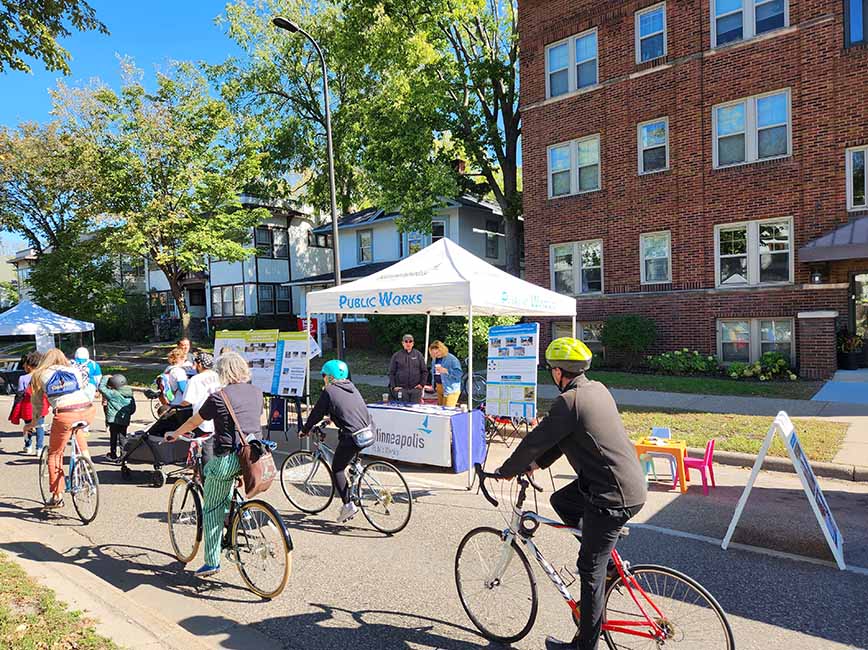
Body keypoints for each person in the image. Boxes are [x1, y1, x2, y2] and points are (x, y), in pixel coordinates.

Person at [496, 338, 647, 650]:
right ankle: (606, 556)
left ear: (557, 371)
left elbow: (534, 441)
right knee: (561, 500)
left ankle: (584, 647)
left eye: (551, 369)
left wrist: (505, 471)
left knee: (589, 572)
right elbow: (559, 441)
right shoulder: (596, 390)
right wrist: (535, 465)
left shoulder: (569, 402)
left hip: (610, 498)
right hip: (628, 486)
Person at [165, 351, 263, 578]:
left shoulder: (219, 397)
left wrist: (175, 434)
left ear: (222, 373)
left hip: (227, 458)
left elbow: (194, 421)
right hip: (252, 457)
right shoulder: (257, 392)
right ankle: (233, 515)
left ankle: (212, 562)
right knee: (224, 492)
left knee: (211, 504)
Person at [300, 359, 372, 524]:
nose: (324, 379)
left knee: (338, 469)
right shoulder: (351, 387)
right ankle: (355, 483)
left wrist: (305, 430)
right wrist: (331, 419)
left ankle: (348, 505)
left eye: (324, 375)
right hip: (368, 432)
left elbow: (316, 413)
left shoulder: (330, 391)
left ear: (330, 376)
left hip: (353, 437)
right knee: (350, 462)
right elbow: (344, 408)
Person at [27, 349, 96, 509]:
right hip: (87, 409)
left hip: (65, 414)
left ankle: (57, 496)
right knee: (77, 429)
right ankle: (87, 463)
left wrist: (32, 424)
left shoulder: (39, 375)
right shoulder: (73, 370)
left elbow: (37, 404)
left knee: (55, 454)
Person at [177, 351, 220, 466]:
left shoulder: (195, 379)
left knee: (206, 449)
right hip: (219, 417)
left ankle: (206, 475)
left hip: (203, 419)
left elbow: (187, 401)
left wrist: (177, 405)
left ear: (200, 364)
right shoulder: (217, 376)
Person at [9, 351, 49, 455]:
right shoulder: (42, 376)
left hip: (27, 406)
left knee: (28, 426)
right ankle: (39, 448)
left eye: (25, 364)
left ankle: (28, 446)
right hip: (40, 405)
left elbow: (20, 393)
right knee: (39, 427)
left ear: (29, 366)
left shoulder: (22, 378)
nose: (23, 366)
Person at [150, 346, 193, 438]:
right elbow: (183, 389)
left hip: (171, 401)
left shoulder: (168, 369)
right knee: (179, 429)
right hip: (180, 403)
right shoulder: (179, 372)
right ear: (181, 358)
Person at [98, 373, 136, 460]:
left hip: (113, 420)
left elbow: (101, 388)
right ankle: (124, 455)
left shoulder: (113, 394)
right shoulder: (130, 394)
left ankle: (113, 453)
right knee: (123, 437)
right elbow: (133, 409)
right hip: (125, 419)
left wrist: (106, 377)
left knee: (113, 437)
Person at [388, 334, 428, 403]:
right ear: (403, 343)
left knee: (415, 409)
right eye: (406, 341)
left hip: (415, 389)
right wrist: (393, 387)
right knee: (403, 409)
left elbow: (424, 371)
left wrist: (422, 384)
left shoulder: (418, 355)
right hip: (402, 389)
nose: (408, 343)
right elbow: (391, 373)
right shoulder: (396, 355)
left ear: (413, 343)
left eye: (410, 341)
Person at [428, 341, 463, 407]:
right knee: (440, 411)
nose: (436, 354)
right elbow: (433, 372)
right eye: (434, 353)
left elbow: (459, 373)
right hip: (439, 388)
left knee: (447, 412)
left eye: (438, 352)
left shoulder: (452, 359)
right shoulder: (434, 360)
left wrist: (446, 371)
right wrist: (433, 385)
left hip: (450, 389)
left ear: (442, 349)